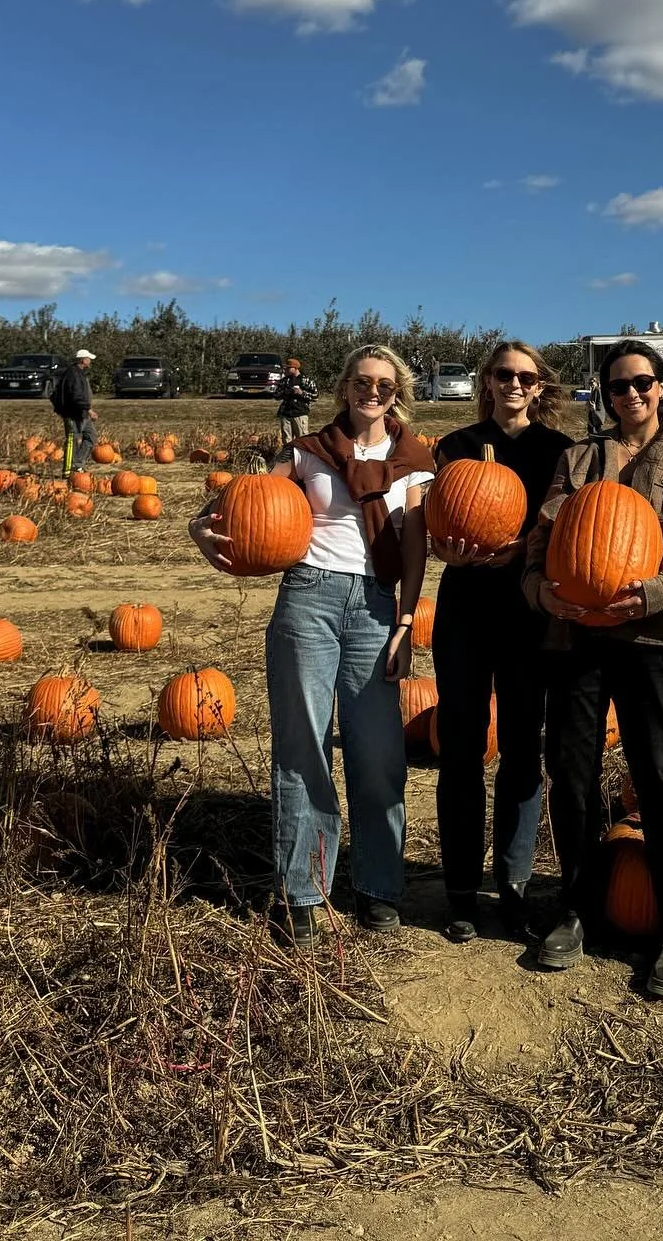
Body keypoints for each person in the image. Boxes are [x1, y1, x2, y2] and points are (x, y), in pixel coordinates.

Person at [190, 343, 433, 943]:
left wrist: (406, 625)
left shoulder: (417, 461)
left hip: (380, 606)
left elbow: (414, 552)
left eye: (382, 383)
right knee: (303, 748)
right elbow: (247, 508)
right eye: (360, 381)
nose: (370, 391)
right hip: (309, 597)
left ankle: (378, 884)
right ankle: (304, 891)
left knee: (379, 753)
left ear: (396, 391)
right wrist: (201, 527)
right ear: (345, 387)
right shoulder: (305, 453)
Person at [524, 339, 663, 999]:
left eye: (641, 384)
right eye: (616, 387)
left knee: (659, 779)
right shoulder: (577, 458)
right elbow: (540, 548)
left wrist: (645, 596)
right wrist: (540, 593)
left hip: (648, 639)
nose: (629, 395)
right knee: (571, 775)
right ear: (602, 396)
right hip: (573, 634)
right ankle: (576, 909)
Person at [429, 341, 570, 943]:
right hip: (464, 611)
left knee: (520, 750)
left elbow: (572, 528)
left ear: (540, 387)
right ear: (487, 381)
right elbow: (438, 524)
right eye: (503, 374)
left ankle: (511, 885)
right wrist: (445, 549)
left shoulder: (558, 452)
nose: (514, 384)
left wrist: (525, 552)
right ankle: (460, 890)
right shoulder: (454, 447)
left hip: (527, 614)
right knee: (460, 749)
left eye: (525, 377)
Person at [53, 348, 98, 476]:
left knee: (91, 437)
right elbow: (76, 396)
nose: (90, 361)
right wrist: (89, 410)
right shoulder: (72, 374)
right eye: (89, 359)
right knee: (72, 440)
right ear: (83, 360)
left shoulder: (80, 373)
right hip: (73, 413)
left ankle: (77, 464)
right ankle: (67, 471)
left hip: (82, 413)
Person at [276, 357, 319, 445]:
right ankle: (289, 457)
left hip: (300, 413)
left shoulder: (307, 381)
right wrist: (286, 392)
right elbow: (276, 395)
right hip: (286, 414)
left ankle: (302, 457)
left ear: (295, 368)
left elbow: (315, 396)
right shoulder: (284, 381)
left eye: (288, 368)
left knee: (302, 440)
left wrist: (301, 393)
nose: (286, 370)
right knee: (286, 441)